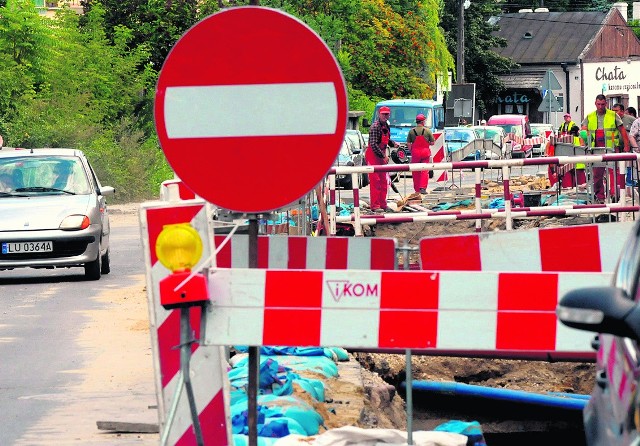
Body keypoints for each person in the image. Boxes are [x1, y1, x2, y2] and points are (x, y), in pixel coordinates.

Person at [581, 94, 630, 203]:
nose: (600, 106)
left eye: (603, 104)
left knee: (614, 172)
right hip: (596, 147)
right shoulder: (590, 116)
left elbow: (622, 130)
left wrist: (626, 146)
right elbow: (583, 130)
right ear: (595, 103)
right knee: (597, 174)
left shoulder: (613, 115)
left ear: (606, 104)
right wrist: (583, 141)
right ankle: (600, 196)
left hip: (612, 146)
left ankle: (614, 194)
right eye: (599, 104)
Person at [366, 106, 396, 213]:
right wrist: (383, 156)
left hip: (381, 156)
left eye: (387, 114)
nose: (385, 116)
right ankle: (375, 206)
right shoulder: (375, 127)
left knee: (384, 181)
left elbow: (386, 139)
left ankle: (383, 204)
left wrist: (393, 143)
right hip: (373, 156)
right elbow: (373, 144)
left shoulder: (386, 125)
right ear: (379, 114)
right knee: (376, 181)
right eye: (383, 114)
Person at [407, 113, 434, 194]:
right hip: (425, 152)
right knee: (424, 170)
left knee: (415, 171)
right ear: (423, 122)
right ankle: (423, 188)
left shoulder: (411, 131)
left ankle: (417, 189)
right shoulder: (427, 131)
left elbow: (408, 143)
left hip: (415, 153)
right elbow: (432, 142)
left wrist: (412, 150)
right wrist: (427, 144)